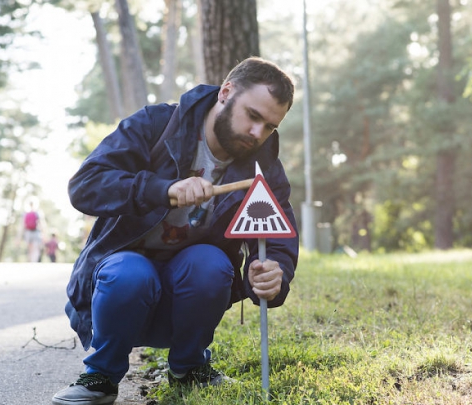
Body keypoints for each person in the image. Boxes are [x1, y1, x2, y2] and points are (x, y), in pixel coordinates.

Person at [52, 57, 299, 405]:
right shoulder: (156, 124)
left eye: (270, 126)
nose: (258, 133)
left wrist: (277, 273)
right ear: (226, 93)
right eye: (253, 116)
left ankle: (189, 368)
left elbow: (278, 240)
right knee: (131, 273)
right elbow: (86, 186)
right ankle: (101, 377)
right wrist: (162, 189)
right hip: (120, 291)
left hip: (187, 298)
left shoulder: (265, 167)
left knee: (210, 263)